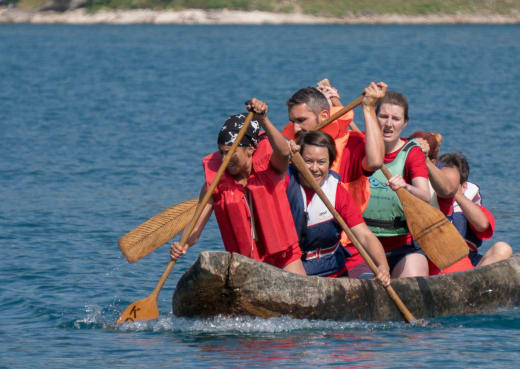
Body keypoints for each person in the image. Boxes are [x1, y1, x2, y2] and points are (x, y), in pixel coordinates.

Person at [170, 99, 307, 275]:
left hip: (285, 261)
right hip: (246, 269)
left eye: (231, 152)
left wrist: (263, 119)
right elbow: (195, 227)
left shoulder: (272, 168)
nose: (225, 158)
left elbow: (284, 152)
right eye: (222, 152)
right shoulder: (214, 186)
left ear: (250, 149)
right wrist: (182, 244)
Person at [285, 130, 391, 286]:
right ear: (297, 160)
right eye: (308, 161)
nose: (314, 168)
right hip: (291, 269)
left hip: (332, 272)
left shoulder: (337, 191)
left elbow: (364, 235)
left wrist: (383, 266)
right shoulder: (285, 180)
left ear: (330, 163)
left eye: (321, 162)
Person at [360, 91, 431, 279]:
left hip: (402, 247)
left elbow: (424, 194)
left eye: (395, 118)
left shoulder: (412, 152)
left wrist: (406, 187)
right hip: (361, 245)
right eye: (383, 116)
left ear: (404, 123)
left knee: (415, 276)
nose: (388, 124)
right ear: (374, 118)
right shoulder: (360, 144)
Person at [417, 149, 513, 274]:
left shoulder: (470, 207)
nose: (443, 186)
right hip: (438, 265)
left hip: (470, 266)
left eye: (449, 183)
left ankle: (476, 282)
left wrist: (454, 193)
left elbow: (483, 226)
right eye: (440, 181)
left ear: (464, 186)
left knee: (503, 248)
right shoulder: (425, 201)